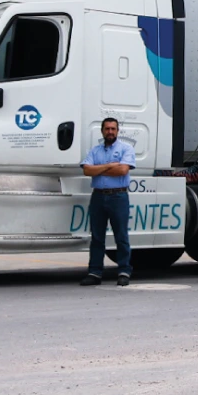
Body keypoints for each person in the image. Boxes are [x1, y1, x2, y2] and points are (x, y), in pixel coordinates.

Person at [80, 118, 136, 286]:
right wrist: (109, 166)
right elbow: (87, 170)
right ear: (102, 131)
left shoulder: (126, 149)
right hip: (98, 197)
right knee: (97, 237)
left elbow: (122, 170)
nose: (110, 132)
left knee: (121, 236)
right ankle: (95, 273)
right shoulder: (94, 151)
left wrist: (99, 169)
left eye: (113, 129)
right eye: (107, 129)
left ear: (117, 131)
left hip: (118, 197)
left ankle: (124, 271)